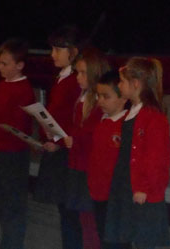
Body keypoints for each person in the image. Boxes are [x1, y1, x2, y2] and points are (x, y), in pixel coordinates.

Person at [105, 58, 170, 249]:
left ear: (135, 84)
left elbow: (156, 158)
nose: (119, 85)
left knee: (144, 239)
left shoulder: (153, 117)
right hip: (126, 185)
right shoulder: (132, 112)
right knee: (126, 234)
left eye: (122, 82)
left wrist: (144, 188)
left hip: (142, 191)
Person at [0, 38, 35, 249]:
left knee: (13, 203)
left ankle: (13, 243)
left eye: (5, 64)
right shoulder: (0, 86)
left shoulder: (24, 89)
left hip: (13, 153)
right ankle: (7, 241)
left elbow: (15, 124)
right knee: (0, 202)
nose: (0, 68)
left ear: (19, 65)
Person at [34, 25, 83, 249]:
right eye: (52, 49)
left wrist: (59, 141)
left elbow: (74, 121)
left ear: (73, 51)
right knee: (65, 212)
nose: (52, 54)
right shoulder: (62, 78)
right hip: (59, 148)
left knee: (70, 213)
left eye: (58, 49)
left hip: (67, 153)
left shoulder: (74, 80)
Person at [64, 49, 110, 249]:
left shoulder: (100, 103)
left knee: (91, 221)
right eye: (77, 72)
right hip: (77, 166)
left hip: (88, 168)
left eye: (83, 73)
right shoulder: (82, 99)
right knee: (81, 219)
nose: (78, 77)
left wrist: (75, 139)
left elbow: (93, 134)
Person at [87, 70, 131, 249]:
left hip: (117, 198)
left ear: (123, 98)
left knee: (118, 242)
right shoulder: (101, 122)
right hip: (98, 194)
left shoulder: (126, 125)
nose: (100, 101)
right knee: (104, 239)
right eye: (98, 96)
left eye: (106, 96)